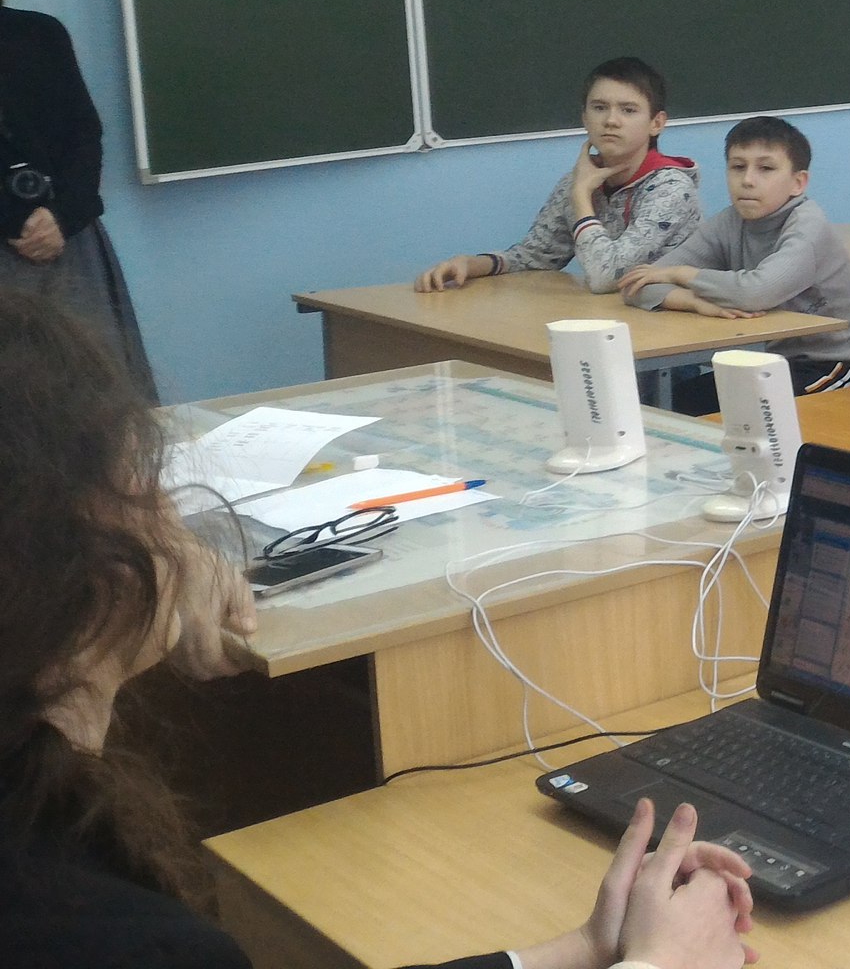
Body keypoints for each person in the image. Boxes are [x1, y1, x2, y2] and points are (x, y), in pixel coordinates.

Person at [0, 290, 757, 967]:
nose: (181, 520)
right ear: (70, 571)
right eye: (149, 488)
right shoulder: (119, 938)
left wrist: (579, 951)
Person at [0, 0, 155, 397]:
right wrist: (15, 221)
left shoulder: (42, 34)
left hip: (67, 243)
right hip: (14, 244)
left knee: (96, 399)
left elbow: (84, 134)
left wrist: (62, 217)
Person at [620, 116, 850, 415]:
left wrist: (683, 274)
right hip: (761, 363)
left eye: (766, 169)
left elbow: (755, 292)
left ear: (798, 182)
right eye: (738, 167)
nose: (748, 180)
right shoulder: (730, 221)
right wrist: (694, 302)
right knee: (660, 408)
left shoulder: (808, 226)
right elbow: (638, 285)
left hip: (828, 368)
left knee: (715, 416)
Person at [416, 58, 701, 295]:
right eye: (599, 108)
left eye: (628, 110)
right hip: (617, 319)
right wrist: (471, 264)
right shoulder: (579, 181)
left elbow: (607, 278)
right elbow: (537, 255)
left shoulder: (672, 188)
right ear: (584, 118)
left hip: (674, 327)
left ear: (656, 123)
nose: (611, 121)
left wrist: (581, 198)